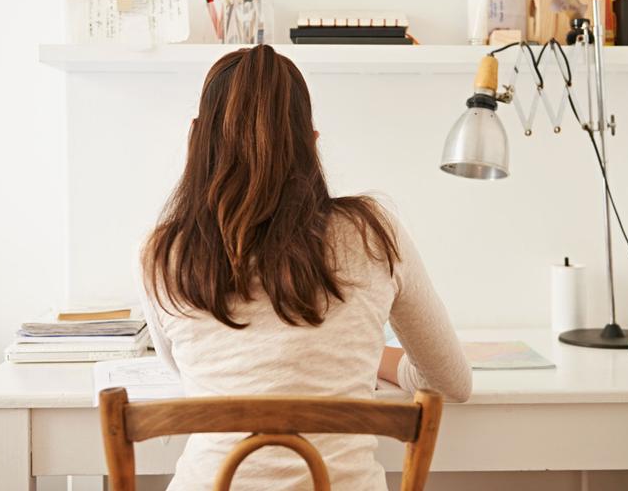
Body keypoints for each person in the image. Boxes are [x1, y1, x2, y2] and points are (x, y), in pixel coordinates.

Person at [139, 45, 471, 490]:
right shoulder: (372, 233)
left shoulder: (164, 252)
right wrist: (360, 360)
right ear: (311, 142)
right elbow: (451, 384)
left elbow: (188, 372)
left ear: (195, 137)